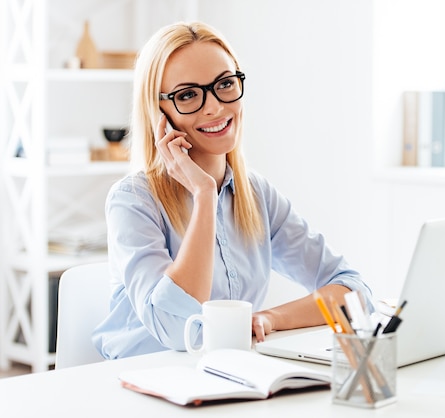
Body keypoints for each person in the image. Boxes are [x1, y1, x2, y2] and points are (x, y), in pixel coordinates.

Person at [92, 21, 372, 359]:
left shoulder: (255, 194)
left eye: (225, 84)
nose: (214, 107)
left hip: (227, 372)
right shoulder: (133, 201)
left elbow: (353, 292)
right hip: (142, 381)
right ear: (159, 113)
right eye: (188, 95)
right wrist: (204, 194)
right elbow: (177, 330)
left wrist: (272, 318)